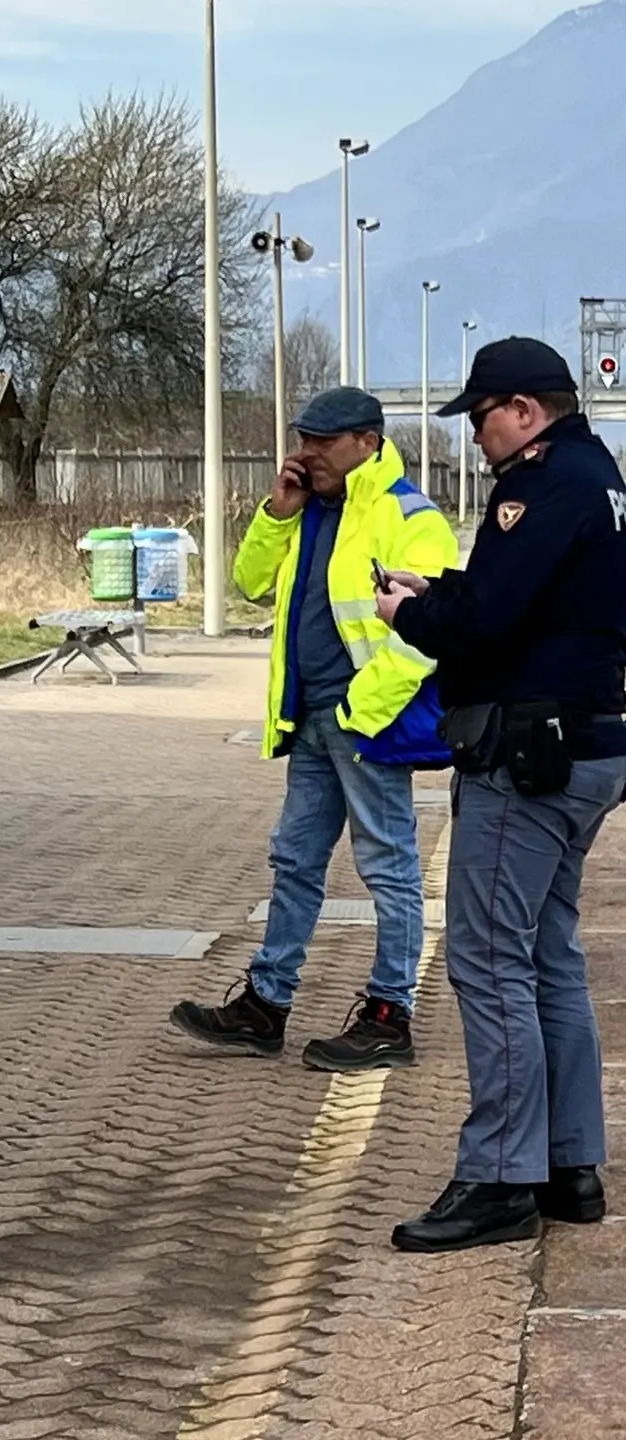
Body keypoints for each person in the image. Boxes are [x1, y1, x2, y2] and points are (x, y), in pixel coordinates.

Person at [377, 337, 626, 1254]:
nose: (475, 436)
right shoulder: (602, 479)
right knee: (549, 955)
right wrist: (441, 589)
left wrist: (413, 613)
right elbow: (527, 601)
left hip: (528, 758)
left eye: (479, 417)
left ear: (524, 409)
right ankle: (570, 1166)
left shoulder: (539, 486)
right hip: (590, 747)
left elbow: (486, 624)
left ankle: (498, 1177)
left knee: (487, 958)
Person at [171, 388, 458, 1068]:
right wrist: (275, 512)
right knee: (294, 860)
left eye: (320, 443)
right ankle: (264, 1007)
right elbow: (247, 582)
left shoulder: (409, 517)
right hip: (309, 721)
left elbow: (431, 632)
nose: (305, 454)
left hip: (366, 723)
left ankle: (390, 1014)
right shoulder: (305, 511)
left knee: (387, 867)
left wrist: (365, 708)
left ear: (366, 441)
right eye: (302, 439)